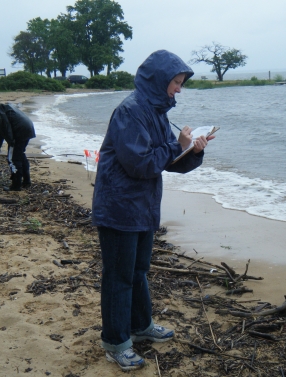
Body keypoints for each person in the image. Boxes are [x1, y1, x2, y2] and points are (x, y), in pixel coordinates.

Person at [91, 50, 215, 371]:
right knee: (119, 277)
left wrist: (191, 150)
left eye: (181, 84)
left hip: (143, 208)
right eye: (176, 82)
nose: (179, 89)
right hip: (119, 208)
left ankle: (141, 325)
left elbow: (167, 163)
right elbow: (141, 163)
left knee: (138, 271)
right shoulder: (130, 112)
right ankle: (116, 342)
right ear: (160, 80)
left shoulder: (158, 112)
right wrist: (177, 144)